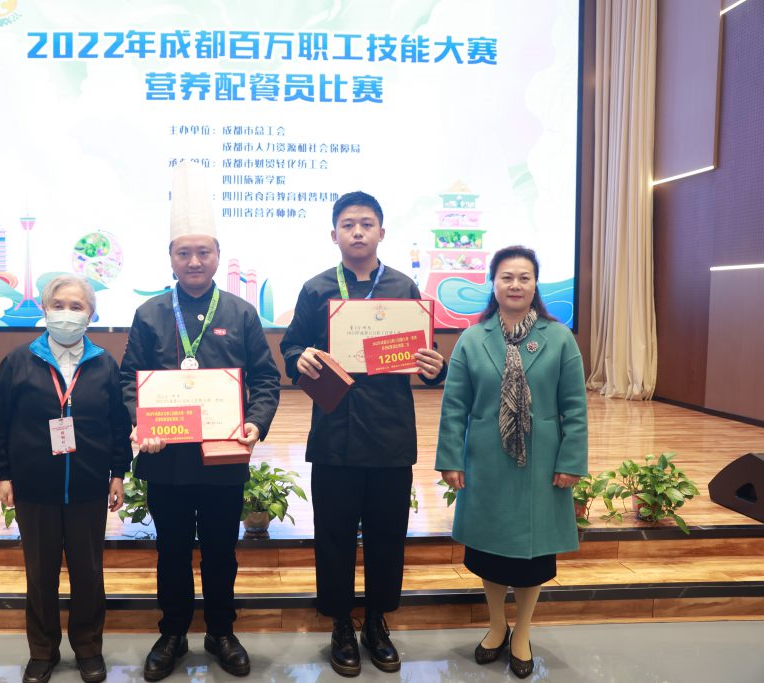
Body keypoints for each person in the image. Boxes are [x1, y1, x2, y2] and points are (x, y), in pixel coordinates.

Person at [120, 161, 280, 681]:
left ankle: (220, 631)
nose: (194, 261)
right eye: (184, 252)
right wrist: (140, 423)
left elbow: (266, 378)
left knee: (220, 552)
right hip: (166, 460)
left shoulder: (240, 312)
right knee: (170, 552)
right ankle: (172, 633)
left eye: (203, 252)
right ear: (170, 257)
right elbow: (129, 381)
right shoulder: (149, 314)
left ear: (217, 255)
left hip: (223, 458)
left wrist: (256, 423)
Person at [279, 191, 447, 677]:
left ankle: (376, 621)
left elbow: (426, 355)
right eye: (348, 224)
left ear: (381, 232)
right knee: (333, 535)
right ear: (334, 234)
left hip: (390, 432)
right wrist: (298, 357)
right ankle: (340, 625)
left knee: (386, 534)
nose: (357, 232)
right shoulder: (316, 289)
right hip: (335, 431)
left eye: (366, 224)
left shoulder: (403, 286)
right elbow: (291, 348)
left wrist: (434, 366)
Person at [435, 245, 588, 679]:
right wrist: (451, 458)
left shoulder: (559, 338)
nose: (515, 285)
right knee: (490, 551)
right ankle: (496, 624)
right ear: (493, 283)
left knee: (531, 558)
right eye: (507, 277)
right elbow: (455, 405)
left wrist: (571, 460)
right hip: (485, 461)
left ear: (535, 285)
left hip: (541, 463)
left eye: (524, 277)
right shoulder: (472, 338)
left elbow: (575, 406)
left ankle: (522, 631)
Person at [0, 274, 132, 683]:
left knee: (89, 574)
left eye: (76, 306)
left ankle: (88, 648)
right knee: (40, 574)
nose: (67, 314)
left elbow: (118, 425)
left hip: (88, 486)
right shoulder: (18, 361)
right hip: (34, 488)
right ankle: (42, 650)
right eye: (58, 305)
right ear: (45, 310)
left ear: (91, 314)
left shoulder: (104, 364)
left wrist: (118, 472)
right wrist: (4, 473)